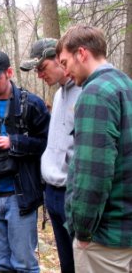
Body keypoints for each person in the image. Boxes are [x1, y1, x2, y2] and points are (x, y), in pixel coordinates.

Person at [56, 24, 132, 272]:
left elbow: (93, 173)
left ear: (81, 53)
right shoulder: (125, 85)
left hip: (105, 239)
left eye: (65, 62)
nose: (65, 72)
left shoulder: (95, 93)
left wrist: (83, 230)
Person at [0, 50, 50, 273]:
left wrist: (14, 142)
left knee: (25, 265)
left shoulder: (32, 105)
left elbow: (47, 144)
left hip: (20, 196)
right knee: (2, 265)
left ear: (8, 73)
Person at [21, 38, 81, 273]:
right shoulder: (57, 96)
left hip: (72, 193)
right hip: (52, 192)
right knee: (67, 264)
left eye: (41, 68)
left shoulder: (86, 91)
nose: (39, 75)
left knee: (82, 263)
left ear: (59, 59)